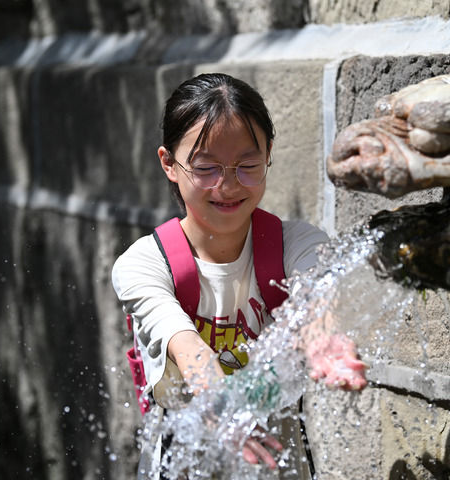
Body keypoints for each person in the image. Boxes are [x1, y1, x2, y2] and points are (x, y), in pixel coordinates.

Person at [111, 73, 366, 478]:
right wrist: (227, 411)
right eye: (206, 168)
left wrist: (324, 337)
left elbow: (315, 298)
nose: (228, 185)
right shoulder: (144, 264)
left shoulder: (298, 244)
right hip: (183, 463)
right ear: (169, 164)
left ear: (268, 155)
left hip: (279, 459)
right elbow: (187, 347)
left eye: (247, 166)